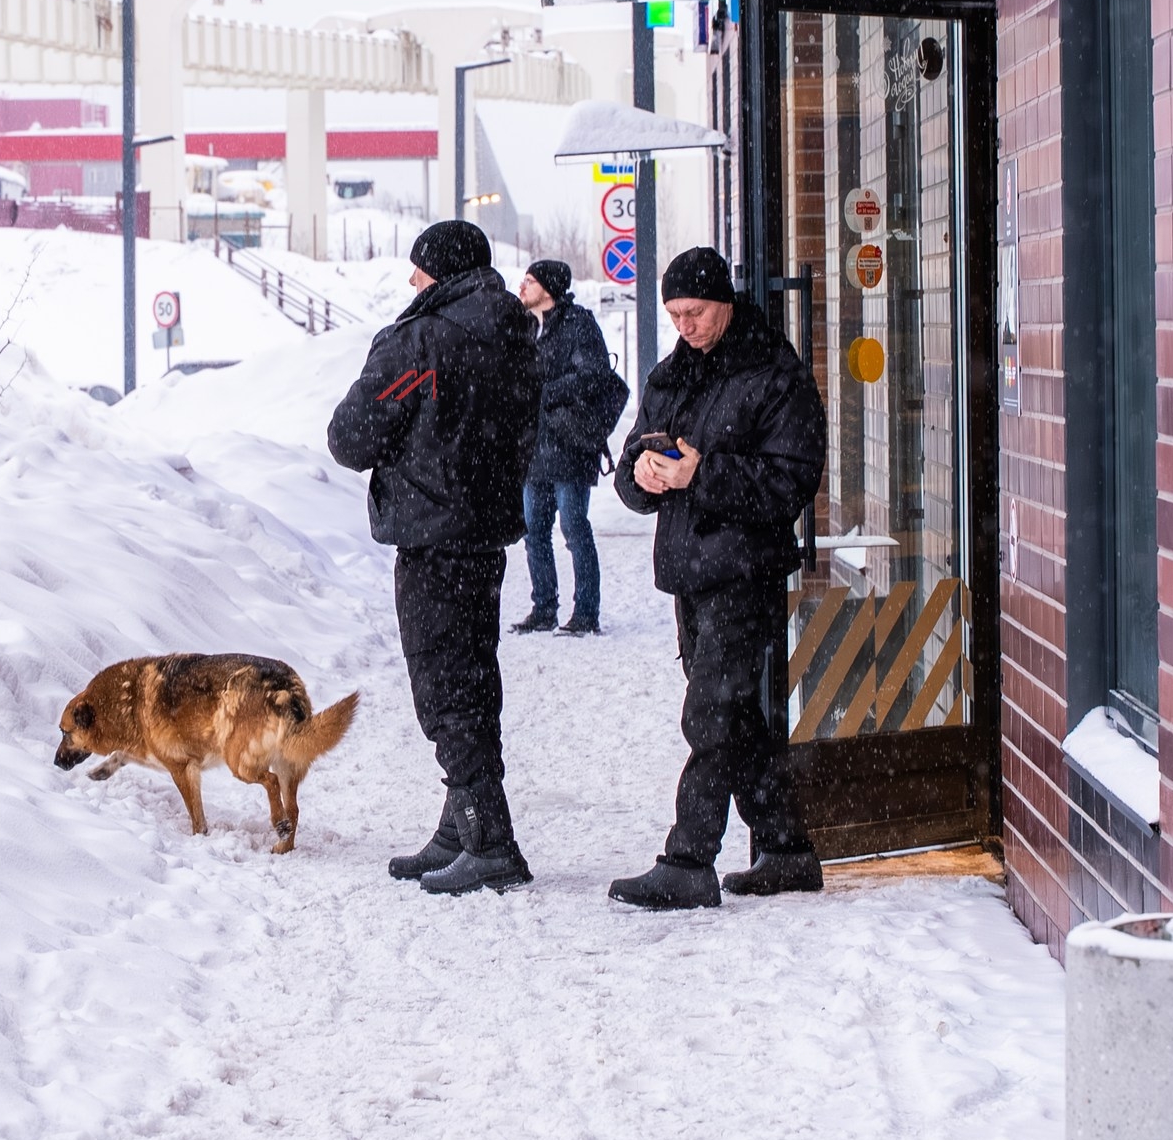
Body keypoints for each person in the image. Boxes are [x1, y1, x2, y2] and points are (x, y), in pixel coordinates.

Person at [606, 248, 827, 910]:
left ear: (723, 302)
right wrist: (640, 477)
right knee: (735, 718)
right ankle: (786, 850)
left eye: (695, 312)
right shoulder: (671, 375)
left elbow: (792, 479)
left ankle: (689, 860)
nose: (685, 326)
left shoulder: (773, 372)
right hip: (689, 574)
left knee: (709, 716)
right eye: (675, 314)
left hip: (745, 571)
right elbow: (634, 460)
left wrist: (702, 473)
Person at [327, 220, 542, 895]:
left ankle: (490, 841)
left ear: (440, 274)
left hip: (431, 536)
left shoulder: (420, 343)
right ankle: (458, 830)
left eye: (418, 272)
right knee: (474, 678)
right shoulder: (514, 334)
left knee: (446, 691)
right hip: (484, 533)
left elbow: (350, 436)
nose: (411, 283)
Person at [511, 258, 628, 638]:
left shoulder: (578, 323)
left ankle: (586, 613)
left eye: (529, 281)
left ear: (548, 288)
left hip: (571, 442)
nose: (522, 287)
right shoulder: (524, 326)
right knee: (534, 531)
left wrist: (544, 393)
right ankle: (544, 608)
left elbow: (593, 374)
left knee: (574, 528)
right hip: (534, 446)